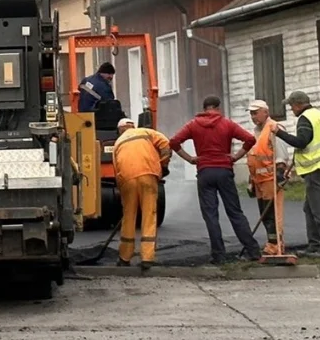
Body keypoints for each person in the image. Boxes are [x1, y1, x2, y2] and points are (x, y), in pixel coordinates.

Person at [169, 95, 263, 263]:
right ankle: (253, 251)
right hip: (224, 171)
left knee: (211, 215)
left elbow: (174, 142)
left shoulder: (193, 124)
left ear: (204, 108)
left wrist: (190, 158)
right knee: (235, 212)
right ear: (218, 108)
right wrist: (235, 157)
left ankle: (219, 255)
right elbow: (250, 139)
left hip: (205, 172)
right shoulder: (227, 124)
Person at [273, 91, 320, 257]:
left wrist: (279, 133)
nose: (291, 109)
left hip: (315, 169)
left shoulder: (305, 119)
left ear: (297, 104)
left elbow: (302, 142)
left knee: (319, 210)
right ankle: (314, 245)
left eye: (291, 106)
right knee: (309, 209)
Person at [112, 117, 172, 269]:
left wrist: (122, 190)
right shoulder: (146, 132)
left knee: (129, 217)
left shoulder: (118, 143)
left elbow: (116, 169)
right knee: (148, 216)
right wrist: (163, 164)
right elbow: (166, 144)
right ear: (133, 126)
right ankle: (147, 258)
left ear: (120, 130)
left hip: (127, 179)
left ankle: (124, 257)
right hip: (148, 175)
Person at [247, 99, 291, 256]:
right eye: (251, 113)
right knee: (265, 215)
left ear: (266, 112)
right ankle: (271, 244)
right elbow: (254, 157)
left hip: (271, 179)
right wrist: (250, 181)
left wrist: (280, 173)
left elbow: (281, 154)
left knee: (273, 214)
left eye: (256, 113)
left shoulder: (274, 128)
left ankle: (276, 246)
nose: (253, 116)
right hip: (259, 180)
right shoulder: (256, 131)